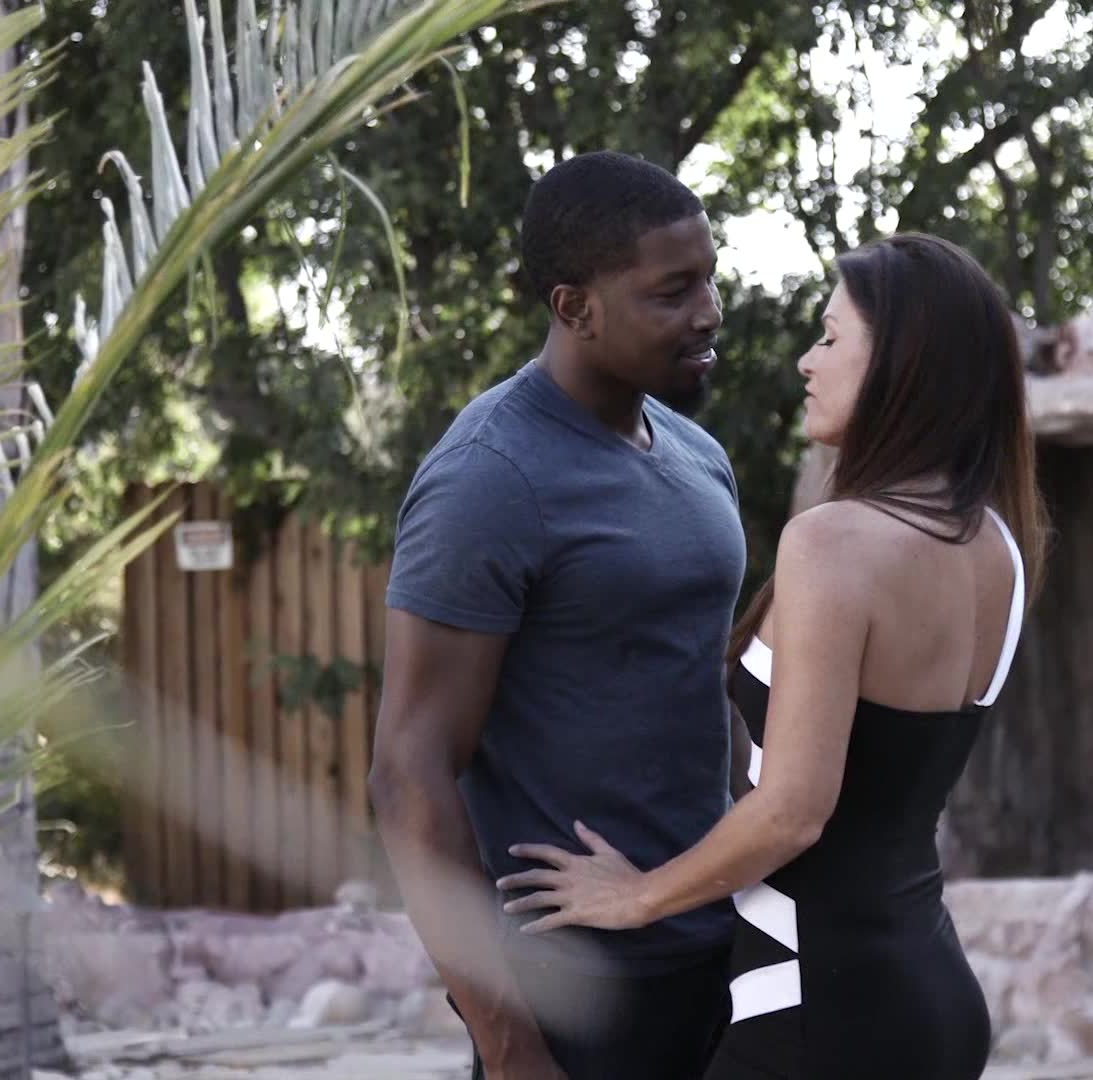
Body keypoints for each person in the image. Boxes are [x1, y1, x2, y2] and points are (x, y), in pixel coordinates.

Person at [498, 233, 1049, 1080]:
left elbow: (792, 812)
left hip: (816, 1014)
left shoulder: (834, 542)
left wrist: (638, 896)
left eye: (830, 337)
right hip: (929, 998)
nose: (806, 361)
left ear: (902, 364)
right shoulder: (996, 545)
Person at [371, 151, 742, 1079]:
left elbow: (702, 685)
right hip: (572, 987)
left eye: (709, 279)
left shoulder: (698, 455)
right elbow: (408, 773)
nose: (708, 312)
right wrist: (508, 1045)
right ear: (575, 307)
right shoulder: (490, 476)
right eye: (672, 292)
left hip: (714, 950)